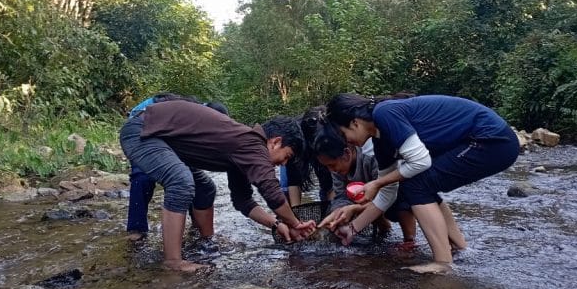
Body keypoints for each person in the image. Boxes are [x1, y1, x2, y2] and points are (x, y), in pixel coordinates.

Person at [322, 93, 519, 273]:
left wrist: (377, 183)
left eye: (343, 134)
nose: (346, 142)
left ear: (355, 123)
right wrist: (353, 229)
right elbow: (388, 194)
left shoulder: (385, 113)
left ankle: (443, 263)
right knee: (419, 184)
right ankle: (460, 249)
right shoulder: (380, 142)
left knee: (415, 183)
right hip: (488, 141)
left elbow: (420, 162)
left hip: (492, 139)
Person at [119, 99, 317, 271]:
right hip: (142, 132)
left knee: (205, 188)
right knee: (181, 181)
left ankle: (205, 244)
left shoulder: (243, 147)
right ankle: (173, 261)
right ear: (275, 142)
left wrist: (276, 224)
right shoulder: (252, 143)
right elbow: (271, 191)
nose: (282, 164)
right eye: (286, 156)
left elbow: (243, 201)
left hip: (163, 140)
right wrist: (295, 223)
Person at [125, 94, 229, 248]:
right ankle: (137, 229)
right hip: (141, 129)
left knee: (197, 181)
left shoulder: (199, 120)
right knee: (143, 177)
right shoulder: (192, 115)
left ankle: (198, 227)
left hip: (168, 134)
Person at [313, 122, 417, 245]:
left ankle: (409, 241)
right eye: (327, 167)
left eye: (332, 165)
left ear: (346, 154)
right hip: (368, 197)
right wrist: (337, 212)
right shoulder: (337, 168)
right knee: (348, 205)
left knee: (401, 201)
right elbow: (341, 195)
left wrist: (355, 208)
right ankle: (385, 230)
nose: (331, 170)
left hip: (394, 191)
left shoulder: (372, 158)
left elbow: (387, 195)